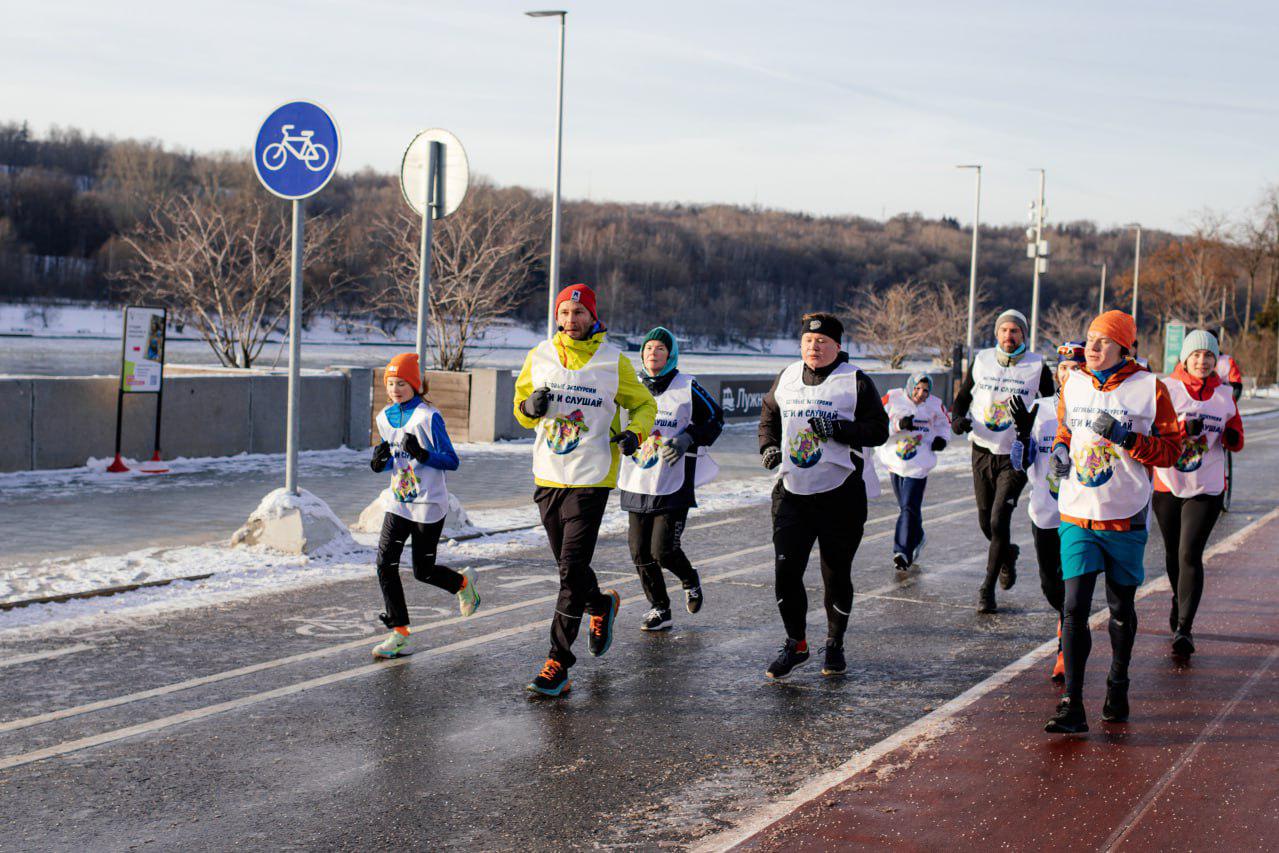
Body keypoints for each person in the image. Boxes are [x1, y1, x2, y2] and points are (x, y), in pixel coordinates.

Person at [513, 284, 657, 697]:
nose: (571, 320)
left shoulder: (613, 361)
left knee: (570, 569)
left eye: (579, 313)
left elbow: (644, 404)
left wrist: (635, 433)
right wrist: (529, 408)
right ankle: (600, 603)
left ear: (593, 317)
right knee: (570, 569)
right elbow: (521, 410)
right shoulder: (539, 355)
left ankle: (558, 663)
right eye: (564, 312)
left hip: (592, 477)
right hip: (548, 475)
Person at [1044, 310, 1181, 734]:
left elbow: (1171, 451)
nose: (1093, 348)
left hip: (1125, 515)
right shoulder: (1074, 382)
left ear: (1124, 347)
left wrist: (1127, 439)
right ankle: (1072, 704)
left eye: (1103, 341)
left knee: (1120, 608)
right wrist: (1060, 451)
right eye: (1090, 339)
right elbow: (1066, 431)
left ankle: (1118, 682)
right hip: (1077, 511)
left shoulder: (1150, 388)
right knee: (1073, 608)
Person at [757, 312, 889, 679]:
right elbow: (768, 416)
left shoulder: (855, 381)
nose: (813, 347)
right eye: (807, 341)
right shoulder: (786, 376)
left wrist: (840, 429)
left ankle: (834, 643)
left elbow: (879, 431)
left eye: (822, 342)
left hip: (840, 494)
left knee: (835, 574)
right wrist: (768, 446)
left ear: (837, 346)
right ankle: (796, 643)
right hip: (792, 493)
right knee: (786, 572)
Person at [369, 352, 479, 659]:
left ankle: (463, 583)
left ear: (415, 385)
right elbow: (392, 460)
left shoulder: (429, 417)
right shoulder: (384, 417)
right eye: (391, 383)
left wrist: (422, 454)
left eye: (402, 383)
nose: (395, 389)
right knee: (385, 564)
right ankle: (399, 633)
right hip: (399, 502)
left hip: (428, 504)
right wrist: (379, 463)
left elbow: (452, 461)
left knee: (423, 571)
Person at [618, 327, 724, 632]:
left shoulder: (687, 386)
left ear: (671, 355)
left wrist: (689, 437)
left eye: (660, 349)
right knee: (640, 552)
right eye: (648, 348)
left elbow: (716, 419)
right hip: (637, 478)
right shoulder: (631, 385)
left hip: (673, 480)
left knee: (662, 551)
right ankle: (660, 608)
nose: (653, 353)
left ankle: (689, 579)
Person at [950, 309, 1055, 613]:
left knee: (999, 519)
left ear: (1024, 335)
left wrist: (1035, 433)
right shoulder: (982, 360)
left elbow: (1051, 405)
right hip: (982, 449)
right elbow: (963, 398)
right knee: (986, 522)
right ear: (997, 334)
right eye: (1005, 330)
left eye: (1015, 331)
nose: (1009, 336)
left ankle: (987, 588)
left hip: (1015, 454)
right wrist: (957, 420)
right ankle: (1007, 554)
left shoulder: (1037, 366)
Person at [1153, 330, 1245, 658]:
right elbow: (1153, 433)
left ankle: (1184, 628)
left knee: (1189, 553)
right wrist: (1181, 430)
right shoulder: (1166, 389)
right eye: (1196, 355)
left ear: (1215, 360)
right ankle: (1179, 598)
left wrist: (1232, 436)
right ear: (1185, 358)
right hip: (1169, 483)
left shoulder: (1224, 395)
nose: (1202, 361)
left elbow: (1237, 438)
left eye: (1208, 356)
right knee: (1172, 554)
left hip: (1207, 486)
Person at [1009, 341, 1085, 682]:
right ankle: (1066, 623)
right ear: (1057, 373)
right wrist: (1023, 434)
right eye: (1065, 368)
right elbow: (1018, 463)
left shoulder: (1093, 408)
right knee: (1051, 587)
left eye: (1077, 369)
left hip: (1080, 514)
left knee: (1074, 589)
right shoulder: (1039, 409)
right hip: (1045, 512)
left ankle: (1066, 649)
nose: (1070, 374)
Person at [876, 372, 951, 573]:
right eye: (917, 389)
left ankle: (902, 552)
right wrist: (898, 425)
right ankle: (918, 536)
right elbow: (877, 422)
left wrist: (941, 439)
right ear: (910, 386)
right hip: (895, 461)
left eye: (925, 390)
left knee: (908, 507)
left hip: (919, 464)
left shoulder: (935, 404)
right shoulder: (892, 398)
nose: (921, 394)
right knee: (907, 508)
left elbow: (945, 425)